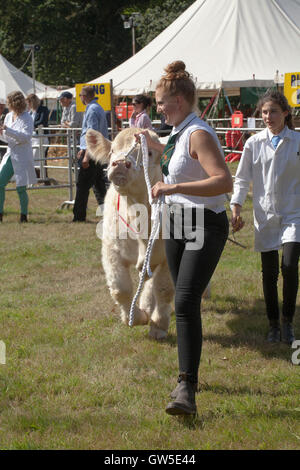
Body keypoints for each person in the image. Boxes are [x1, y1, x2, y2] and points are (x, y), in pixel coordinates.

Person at [137, 61, 233, 416]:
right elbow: (180, 161)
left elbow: (223, 180)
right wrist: (154, 144)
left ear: (178, 100)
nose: (158, 108)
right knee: (183, 300)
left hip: (204, 223)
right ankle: (187, 377)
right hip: (178, 220)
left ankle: (185, 389)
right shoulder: (180, 132)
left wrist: (172, 186)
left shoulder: (199, 133)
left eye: (161, 102)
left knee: (187, 301)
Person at [230, 90, 300, 345]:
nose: (268, 117)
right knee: (269, 273)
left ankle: (288, 321)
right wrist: (236, 206)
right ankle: (273, 323)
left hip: (294, 212)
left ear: (285, 113)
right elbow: (241, 178)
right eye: (264, 112)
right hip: (265, 214)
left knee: (290, 266)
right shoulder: (253, 143)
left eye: (272, 111)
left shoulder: (297, 141)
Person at [73, 85, 109, 222]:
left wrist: (86, 155)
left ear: (84, 96)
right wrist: (83, 148)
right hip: (95, 151)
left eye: (80, 96)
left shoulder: (92, 109)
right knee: (98, 184)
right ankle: (107, 212)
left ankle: (79, 216)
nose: (80, 98)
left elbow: (92, 133)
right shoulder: (96, 107)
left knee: (82, 185)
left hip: (93, 152)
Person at [0, 91, 37, 223]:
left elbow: (26, 137)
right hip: (11, 154)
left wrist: (7, 130)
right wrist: (1, 133)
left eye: (9, 102)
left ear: (15, 103)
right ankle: (0, 213)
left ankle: (23, 215)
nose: (7, 105)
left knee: (20, 187)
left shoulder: (27, 118)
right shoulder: (9, 116)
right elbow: (6, 138)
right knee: (0, 182)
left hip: (22, 155)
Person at [26, 93, 49, 180]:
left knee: (40, 157)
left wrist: (30, 125)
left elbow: (42, 121)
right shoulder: (30, 112)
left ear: (32, 102)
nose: (28, 105)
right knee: (32, 157)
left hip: (41, 137)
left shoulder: (43, 109)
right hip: (32, 137)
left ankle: (44, 178)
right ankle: (37, 177)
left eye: (29, 102)